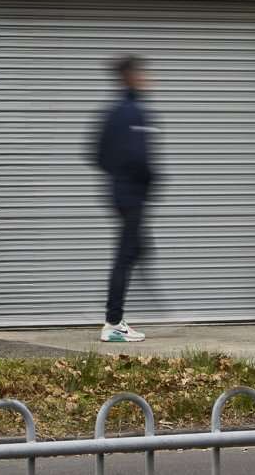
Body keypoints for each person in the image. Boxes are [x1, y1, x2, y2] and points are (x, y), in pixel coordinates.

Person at [93, 54, 158, 342]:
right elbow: (139, 157)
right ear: (129, 77)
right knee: (126, 255)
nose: (146, 79)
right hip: (131, 196)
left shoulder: (115, 112)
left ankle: (117, 317)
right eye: (141, 74)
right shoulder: (132, 112)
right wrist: (146, 180)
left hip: (123, 194)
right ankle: (113, 323)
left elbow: (97, 155)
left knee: (136, 250)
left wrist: (117, 176)